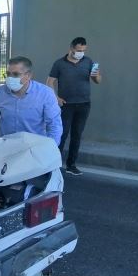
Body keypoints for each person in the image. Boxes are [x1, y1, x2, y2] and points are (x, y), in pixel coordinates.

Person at [0, 56, 62, 144]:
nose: (10, 78)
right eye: (8, 74)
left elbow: (54, 124)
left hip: (33, 146)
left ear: (28, 75)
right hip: (6, 144)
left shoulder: (45, 94)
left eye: (16, 74)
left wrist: (52, 148)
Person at [46, 37, 102, 176]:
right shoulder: (59, 64)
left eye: (83, 50)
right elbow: (49, 82)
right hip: (66, 105)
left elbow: (98, 81)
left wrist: (96, 75)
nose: (81, 53)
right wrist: (56, 98)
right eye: (78, 50)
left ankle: (71, 165)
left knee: (77, 135)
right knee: (62, 135)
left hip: (84, 104)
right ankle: (54, 165)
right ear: (71, 48)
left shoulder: (88, 61)